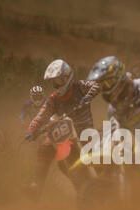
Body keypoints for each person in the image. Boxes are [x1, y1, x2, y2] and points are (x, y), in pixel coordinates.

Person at [24, 59, 100, 198]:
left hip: (85, 132)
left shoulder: (79, 87)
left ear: (66, 78)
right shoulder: (53, 99)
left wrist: (87, 98)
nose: (55, 85)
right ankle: (36, 185)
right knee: (46, 148)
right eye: (53, 81)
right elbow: (41, 115)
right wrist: (31, 129)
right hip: (68, 136)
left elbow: (96, 85)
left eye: (58, 81)